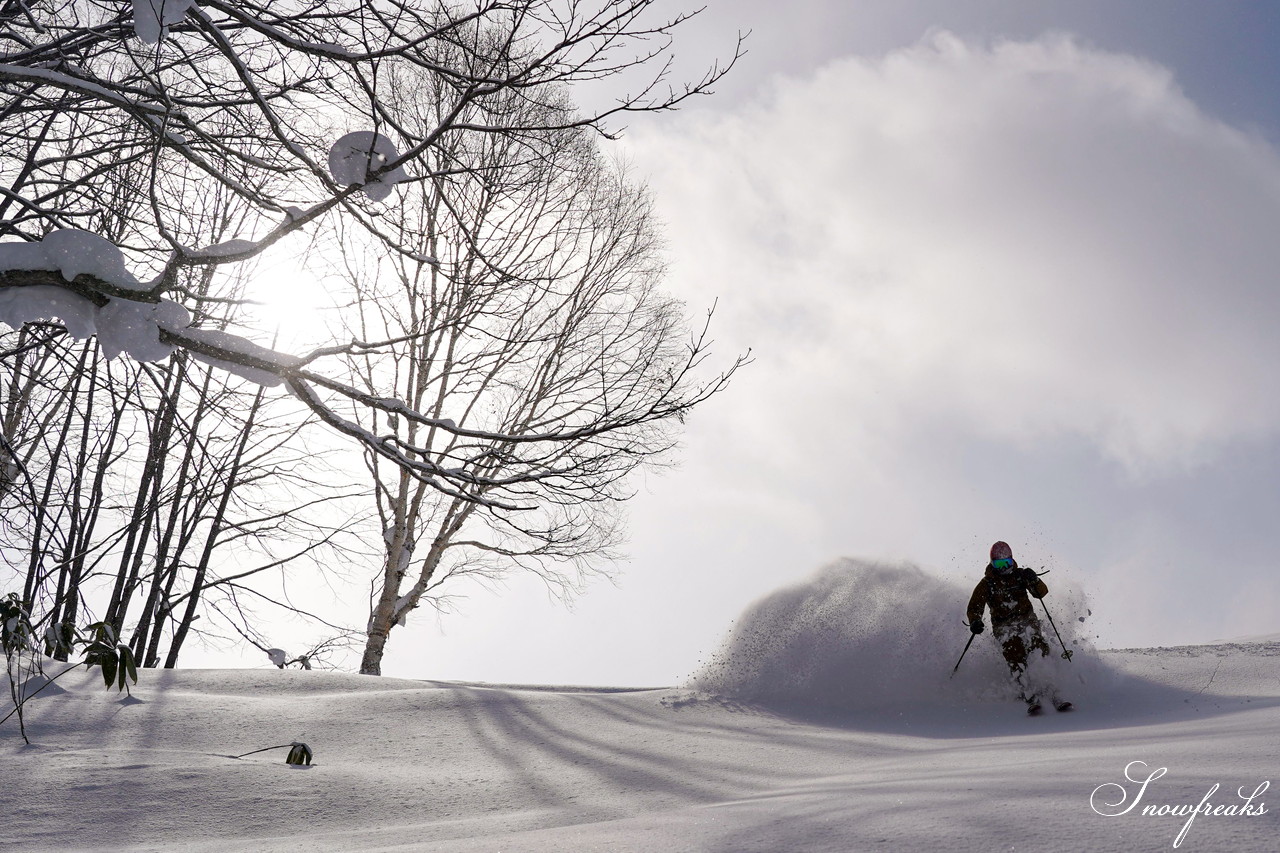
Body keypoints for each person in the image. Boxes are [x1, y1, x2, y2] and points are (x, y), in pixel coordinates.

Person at [966, 541, 1069, 712]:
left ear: (1012, 560)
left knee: (1038, 646)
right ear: (992, 563)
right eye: (999, 564)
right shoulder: (987, 583)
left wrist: (1034, 579)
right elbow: (974, 607)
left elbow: (1041, 593)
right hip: (1003, 626)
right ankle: (1026, 688)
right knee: (1014, 649)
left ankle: (1050, 686)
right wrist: (975, 621)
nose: (1004, 568)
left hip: (1027, 620)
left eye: (1007, 563)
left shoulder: (1021, 575)